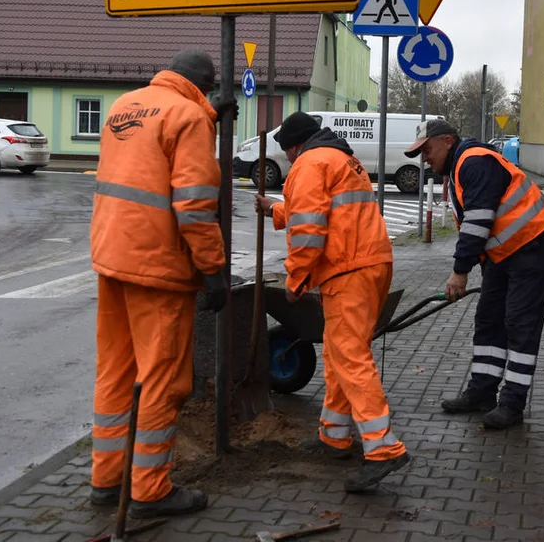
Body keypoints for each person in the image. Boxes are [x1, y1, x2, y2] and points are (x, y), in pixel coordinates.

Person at [89, 49, 234, 518]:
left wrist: (209, 112)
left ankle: (107, 480)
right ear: (204, 85)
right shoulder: (190, 117)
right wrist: (213, 271)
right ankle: (150, 489)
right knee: (163, 380)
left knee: (115, 373)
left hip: (112, 257)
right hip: (160, 267)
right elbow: (194, 205)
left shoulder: (124, 105)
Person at [254, 111, 411, 492]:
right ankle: (334, 435)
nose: (288, 160)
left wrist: (296, 279)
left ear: (294, 146)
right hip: (371, 263)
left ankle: (383, 448)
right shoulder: (341, 159)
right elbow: (327, 211)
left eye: (287, 152)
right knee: (339, 355)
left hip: (348, 270)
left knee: (351, 358)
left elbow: (309, 228)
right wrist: (274, 209)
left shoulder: (309, 164)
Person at [404, 119, 544, 429]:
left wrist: (460, 271)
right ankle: (482, 392)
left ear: (447, 141)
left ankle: (512, 404)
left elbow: (477, 222)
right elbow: (485, 227)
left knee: (519, 323)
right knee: (489, 318)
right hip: (505, 254)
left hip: (532, 245)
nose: (425, 158)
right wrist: (485, 268)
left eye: (427, 149)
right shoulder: (462, 165)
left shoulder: (473, 161)